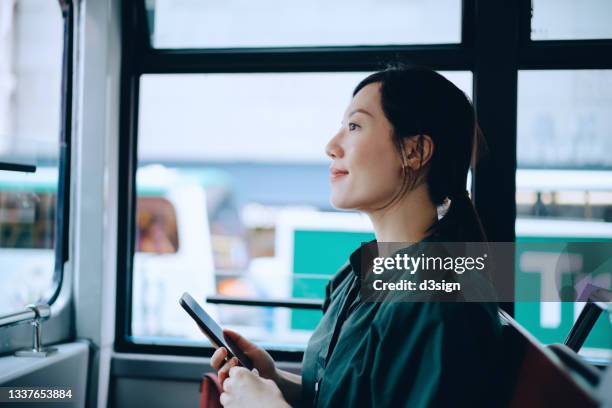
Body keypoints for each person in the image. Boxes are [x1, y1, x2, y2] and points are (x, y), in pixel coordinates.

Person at [211, 65, 503, 407]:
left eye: (354, 126)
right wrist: (274, 380)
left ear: (415, 151)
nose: (331, 146)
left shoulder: (439, 298)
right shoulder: (357, 274)